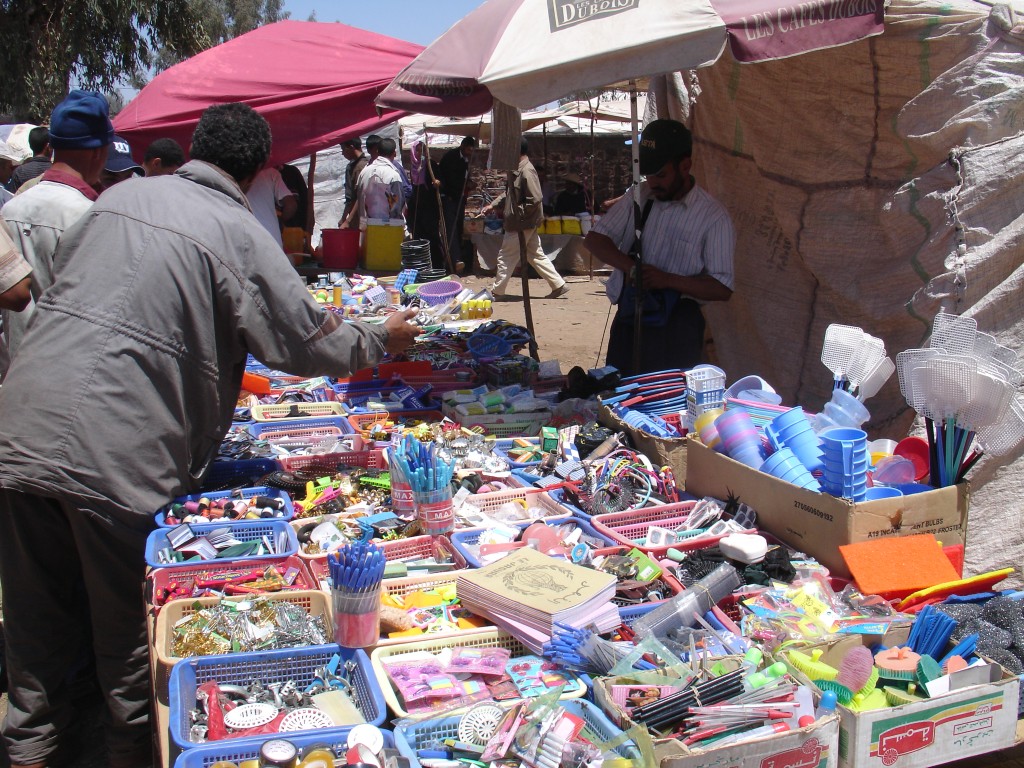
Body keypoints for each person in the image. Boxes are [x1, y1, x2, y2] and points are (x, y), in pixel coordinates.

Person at [0, 101, 420, 768]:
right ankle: (126, 752)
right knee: (128, 637)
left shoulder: (118, 198)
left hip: (21, 425)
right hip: (116, 454)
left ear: (194, 149)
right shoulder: (237, 229)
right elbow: (307, 342)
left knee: (36, 629)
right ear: (256, 172)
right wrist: (381, 336)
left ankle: (31, 748)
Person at [584, 119, 735, 378]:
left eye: (661, 175)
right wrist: (632, 268)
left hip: (677, 328)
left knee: (666, 398)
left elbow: (722, 288)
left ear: (685, 166)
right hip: (630, 318)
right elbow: (595, 240)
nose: (652, 182)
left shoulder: (713, 217)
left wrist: (667, 280)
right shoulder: (639, 196)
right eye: (648, 174)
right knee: (618, 391)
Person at [1, 90, 113, 363]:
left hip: (16, 367)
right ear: (99, 151)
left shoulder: (12, 207)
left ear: (52, 147)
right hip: (69, 369)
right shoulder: (91, 215)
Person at [484, 137, 569, 301]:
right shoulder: (517, 170)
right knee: (535, 255)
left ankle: (497, 291)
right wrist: (493, 205)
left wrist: (518, 214)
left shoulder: (526, 171)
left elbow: (535, 199)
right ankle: (558, 284)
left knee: (506, 256)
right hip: (524, 222)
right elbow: (509, 193)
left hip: (521, 223)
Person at [436, 136, 477, 268]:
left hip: (459, 199)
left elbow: (463, 177)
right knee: (451, 229)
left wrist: (469, 183)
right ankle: (455, 260)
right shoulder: (451, 157)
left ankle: (457, 258)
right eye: (469, 150)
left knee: (459, 228)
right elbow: (451, 180)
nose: (470, 153)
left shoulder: (465, 159)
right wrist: (464, 186)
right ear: (463, 146)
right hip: (450, 199)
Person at [246, 165, 297, 250]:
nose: (281, 167)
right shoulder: (271, 172)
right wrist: (280, 221)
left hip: (246, 239)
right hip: (272, 240)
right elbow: (291, 206)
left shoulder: (231, 173)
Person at [358, 136, 405, 225]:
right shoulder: (393, 175)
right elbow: (396, 207)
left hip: (368, 226)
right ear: (394, 153)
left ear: (378, 152)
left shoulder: (364, 172)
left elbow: (361, 201)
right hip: (388, 227)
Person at [338, 138, 369, 229]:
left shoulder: (359, 167)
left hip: (359, 217)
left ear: (351, 147)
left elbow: (358, 196)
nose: (342, 153)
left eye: (343, 149)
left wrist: (346, 219)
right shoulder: (356, 165)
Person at [8, 126, 50, 192]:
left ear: (30, 145)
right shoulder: (55, 170)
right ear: (48, 146)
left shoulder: (19, 172)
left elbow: (13, 196)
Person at [278, 162, 309, 229]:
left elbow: (305, 200)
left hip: (296, 226)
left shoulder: (292, 171)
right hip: (283, 228)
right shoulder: (266, 175)